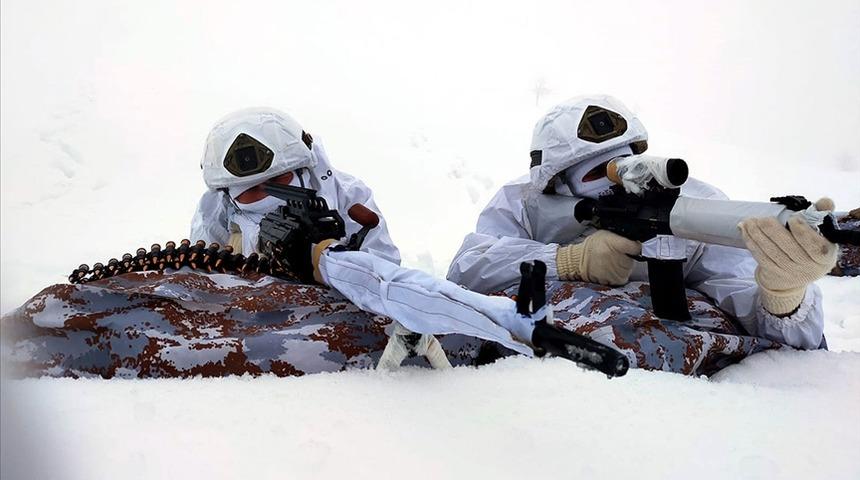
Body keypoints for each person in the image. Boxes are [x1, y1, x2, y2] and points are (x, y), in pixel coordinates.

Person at [189, 107, 620, 373]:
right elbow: (198, 290)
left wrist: (331, 264)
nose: (269, 197)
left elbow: (382, 275)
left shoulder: (346, 197)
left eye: (281, 180)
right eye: (253, 192)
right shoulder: (217, 213)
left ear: (305, 169)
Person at [447, 94, 838, 361]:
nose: (621, 181)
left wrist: (784, 296)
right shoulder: (525, 202)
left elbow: (780, 331)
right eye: (600, 172)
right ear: (558, 183)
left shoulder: (695, 204)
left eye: (625, 163)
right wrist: (567, 259)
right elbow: (466, 270)